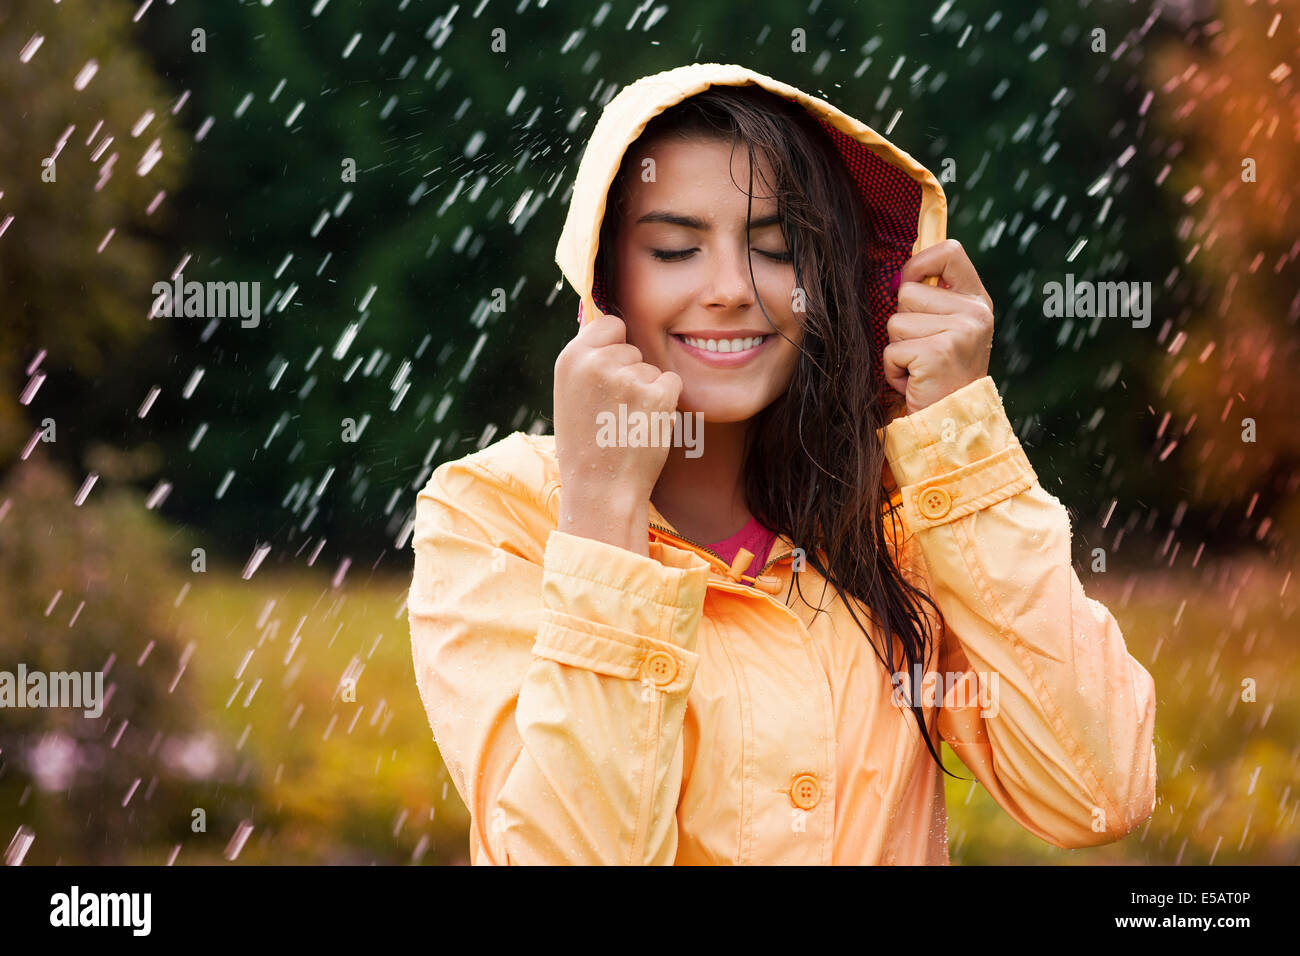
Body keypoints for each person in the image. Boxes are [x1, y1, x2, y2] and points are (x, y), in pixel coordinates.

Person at [408, 62, 1158, 865]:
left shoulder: (903, 519)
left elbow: (1098, 790)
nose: (731, 288)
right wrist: (598, 517)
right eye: (673, 249)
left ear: (830, 277)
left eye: (777, 247)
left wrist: (959, 434)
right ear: (604, 279)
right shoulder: (494, 515)